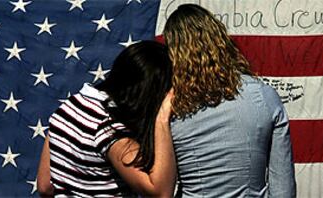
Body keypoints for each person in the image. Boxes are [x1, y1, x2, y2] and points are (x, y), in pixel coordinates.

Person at [162, 4, 296, 197]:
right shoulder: (264, 96)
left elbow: (159, 185)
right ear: (220, 40)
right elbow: (283, 188)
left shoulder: (170, 107)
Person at [36, 41, 176, 197]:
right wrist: (162, 118)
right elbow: (160, 192)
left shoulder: (68, 107)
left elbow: (45, 186)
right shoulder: (110, 130)